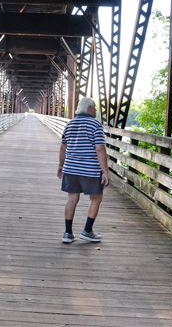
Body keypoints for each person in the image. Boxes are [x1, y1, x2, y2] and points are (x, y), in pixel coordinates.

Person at [57, 97, 109, 244]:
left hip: (70, 168)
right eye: (95, 108)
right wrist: (105, 171)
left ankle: (67, 234)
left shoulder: (70, 123)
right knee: (96, 198)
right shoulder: (95, 124)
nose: (97, 111)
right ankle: (87, 231)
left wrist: (61, 165)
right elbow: (100, 148)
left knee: (72, 198)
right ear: (90, 108)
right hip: (90, 170)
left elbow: (63, 147)